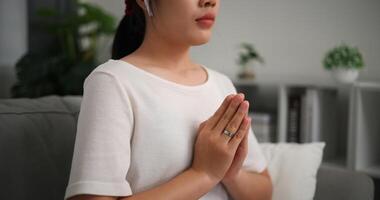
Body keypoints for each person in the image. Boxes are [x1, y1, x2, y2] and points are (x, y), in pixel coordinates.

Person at [64, 0, 273, 199]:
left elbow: (264, 191)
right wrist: (204, 174)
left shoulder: (221, 85)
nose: (209, 1)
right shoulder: (113, 82)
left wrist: (230, 173)